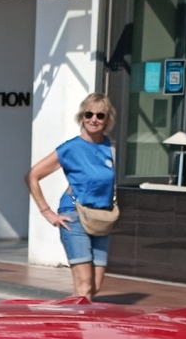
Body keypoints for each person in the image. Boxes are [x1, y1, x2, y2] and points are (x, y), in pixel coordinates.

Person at [26, 94, 118, 302]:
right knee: (84, 285)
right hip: (74, 216)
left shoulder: (109, 148)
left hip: (101, 219)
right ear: (82, 117)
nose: (94, 119)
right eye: (89, 114)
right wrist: (47, 212)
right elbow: (33, 175)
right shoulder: (71, 148)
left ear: (107, 119)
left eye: (100, 115)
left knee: (95, 286)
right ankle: (79, 331)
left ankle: (61, 314)